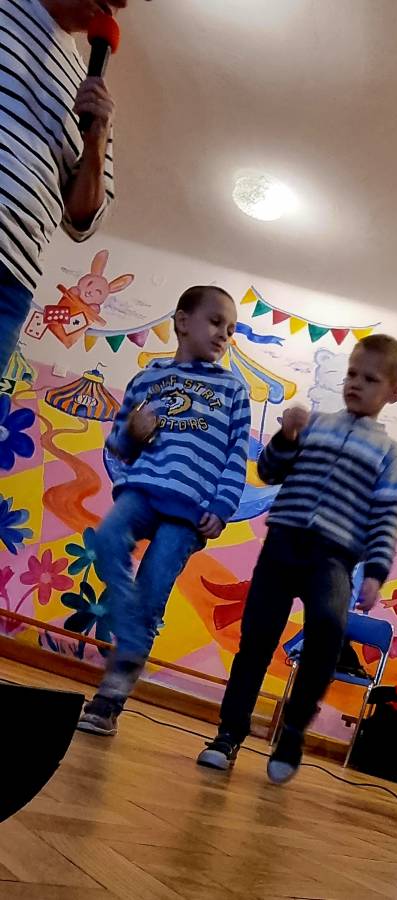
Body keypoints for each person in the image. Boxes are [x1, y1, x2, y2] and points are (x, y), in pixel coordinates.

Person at [196, 334, 397, 784]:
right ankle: (228, 735)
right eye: (351, 374)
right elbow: (269, 470)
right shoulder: (314, 425)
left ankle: (292, 733)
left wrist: (376, 571)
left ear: (393, 392)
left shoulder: (390, 453)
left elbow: (385, 515)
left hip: (333, 558)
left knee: (327, 634)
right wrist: (287, 436)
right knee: (256, 642)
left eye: (370, 379)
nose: (355, 384)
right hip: (282, 545)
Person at [77, 286, 250, 735]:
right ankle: (129, 623)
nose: (224, 334)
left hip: (190, 508)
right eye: (216, 322)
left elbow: (236, 454)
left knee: (153, 590)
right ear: (182, 322)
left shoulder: (234, 389)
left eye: (231, 330)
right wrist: (132, 432)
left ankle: (109, 701)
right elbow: (120, 445)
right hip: (143, 488)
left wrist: (223, 506)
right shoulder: (147, 379)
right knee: (108, 538)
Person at [0, 0, 135, 373]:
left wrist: (97, 138)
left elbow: (83, 221)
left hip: (12, 280)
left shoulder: (88, 88)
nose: (121, 4)